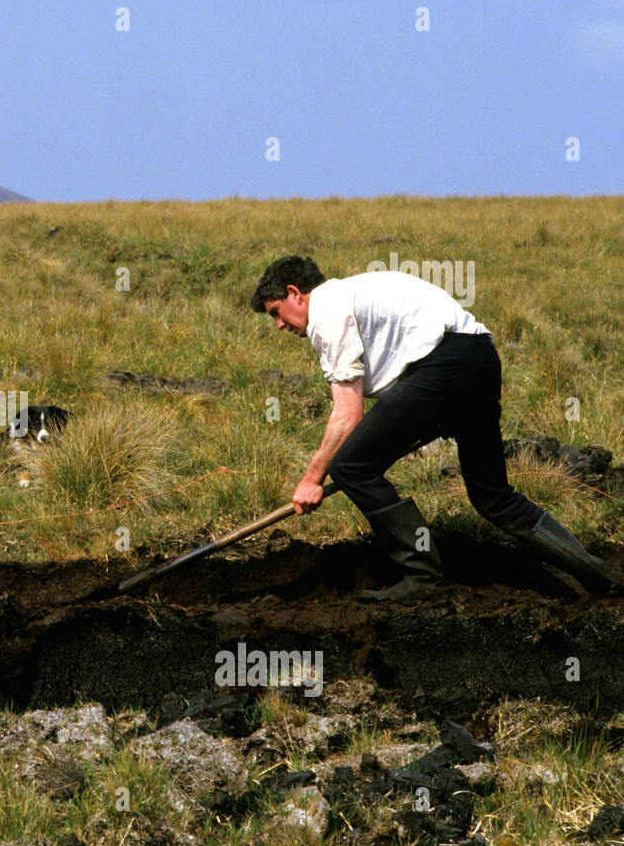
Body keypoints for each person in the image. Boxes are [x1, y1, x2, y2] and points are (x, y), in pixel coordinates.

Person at [251, 255, 616, 600]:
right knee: (493, 497)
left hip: (445, 367)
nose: (280, 325)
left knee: (350, 466)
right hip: (478, 358)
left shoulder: (327, 310)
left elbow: (348, 414)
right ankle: (601, 576)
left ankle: (424, 575)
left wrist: (311, 479)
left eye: (276, 314)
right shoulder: (354, 292)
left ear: (294, 294)